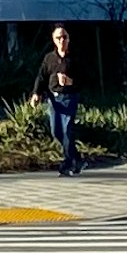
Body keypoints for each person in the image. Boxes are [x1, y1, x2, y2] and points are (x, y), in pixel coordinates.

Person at [40, 24, 83, 176]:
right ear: (54, 40)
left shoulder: (75, 58)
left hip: (69, 97)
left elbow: (86, 78)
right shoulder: (49, 58)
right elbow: (42, 77)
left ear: (69, 39)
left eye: (64, 37)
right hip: (53, 99)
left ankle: (67, 162)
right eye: (59, 38)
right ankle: (77, 158)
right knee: (56, 131)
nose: (62, 40)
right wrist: (35, 93)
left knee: (66, 130)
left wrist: (70, 82)